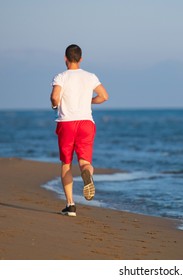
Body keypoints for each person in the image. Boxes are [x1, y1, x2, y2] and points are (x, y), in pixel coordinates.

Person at [50, 44, 109, 217]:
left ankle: (70, 205)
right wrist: (89, 101)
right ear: (81, 59)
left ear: (65, 58)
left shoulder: (61, 77)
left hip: (67, 123)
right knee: (84, 162)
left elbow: (55, 96)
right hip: (86, 123)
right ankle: (87, 174)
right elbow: (104, 96)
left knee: (66, 163)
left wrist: (55, 104)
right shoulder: (90, 77)